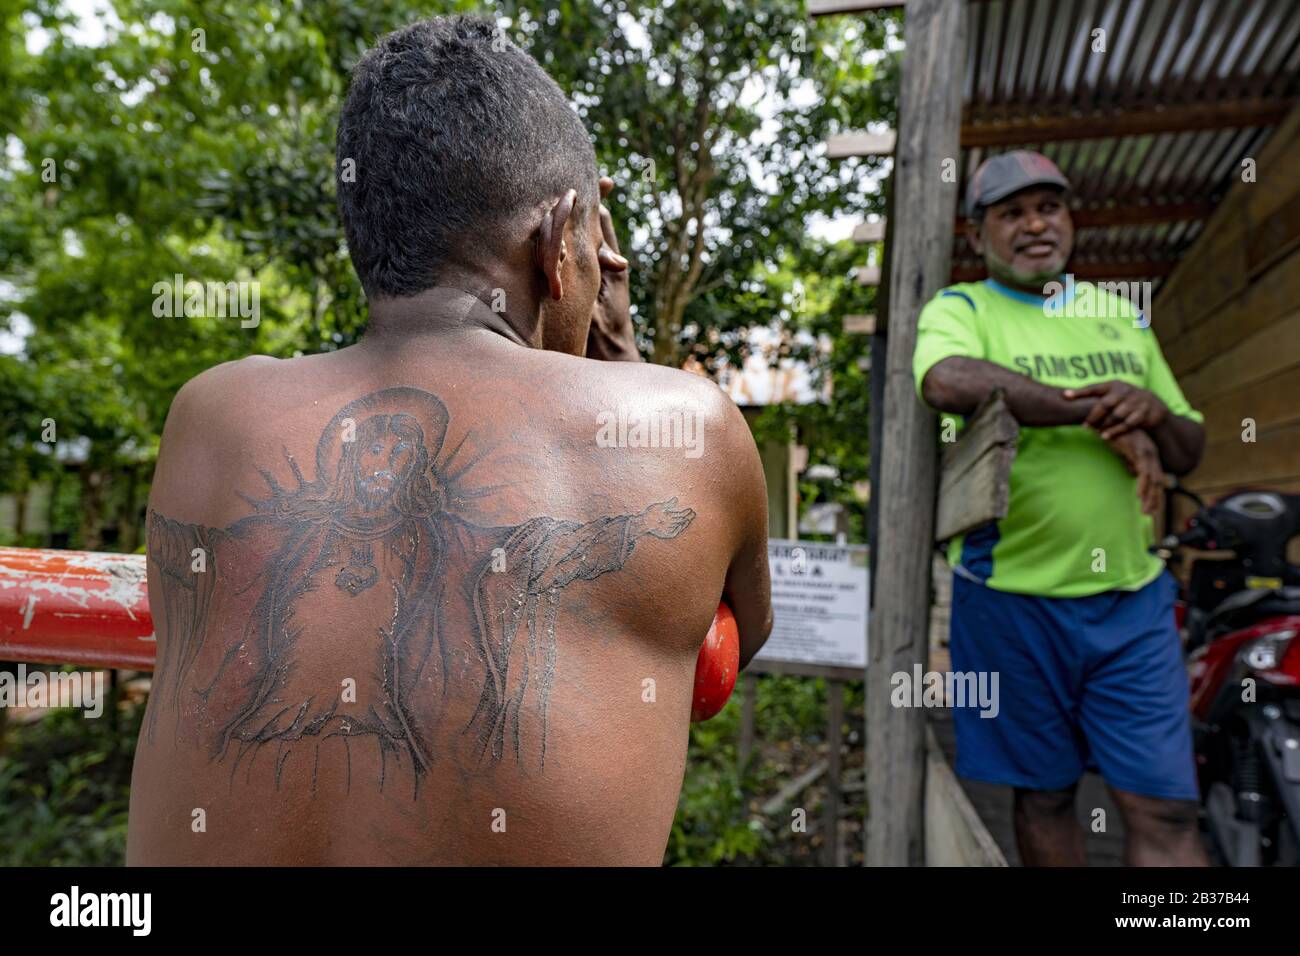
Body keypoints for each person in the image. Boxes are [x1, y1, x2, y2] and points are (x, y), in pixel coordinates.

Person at [127, 15, 772, 866]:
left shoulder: (211, 416)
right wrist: (617, 352)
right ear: (560, 244)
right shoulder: (686, 429)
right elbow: (735, 631)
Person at [913, 151, 1208, 866]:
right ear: (980, 236)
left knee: (1164, 808)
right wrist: (1100, 414)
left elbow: (1189, 445)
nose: (1035, 224)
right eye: (1011, 213)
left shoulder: (1118, 317)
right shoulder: (963, 309)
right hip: (1011, 600)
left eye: (1049, 207)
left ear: (1070, 220)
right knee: (1043, 795)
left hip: (1132, 601)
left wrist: (1151, 412)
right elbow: (948, 380)